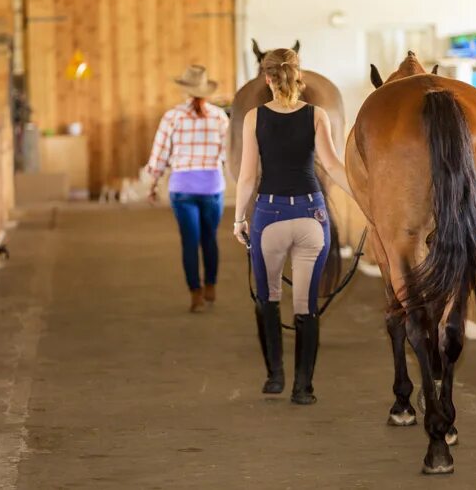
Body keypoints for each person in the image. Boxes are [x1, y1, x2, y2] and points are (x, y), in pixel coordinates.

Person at [233, 48, 352, 405]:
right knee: (305, 303)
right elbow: (332, 166)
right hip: (312, 216)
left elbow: (248, 176)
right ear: (299, 75)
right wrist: (366, 198)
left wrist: (239, 219)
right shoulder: (317, 115)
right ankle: (304, 388)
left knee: (267, 296)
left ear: (267, 78)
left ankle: (275, 377)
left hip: (269, 216)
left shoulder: (254, 117)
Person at [146, 65, 229, 313]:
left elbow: (160, 155)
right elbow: (227, 155)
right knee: (210, 238)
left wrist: (153, 183)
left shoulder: (172, 117)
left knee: (190, 242)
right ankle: (211, 285)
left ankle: (196, 295)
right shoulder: (220, 117)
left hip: (182, 187)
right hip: (212, 186)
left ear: (185, 91)